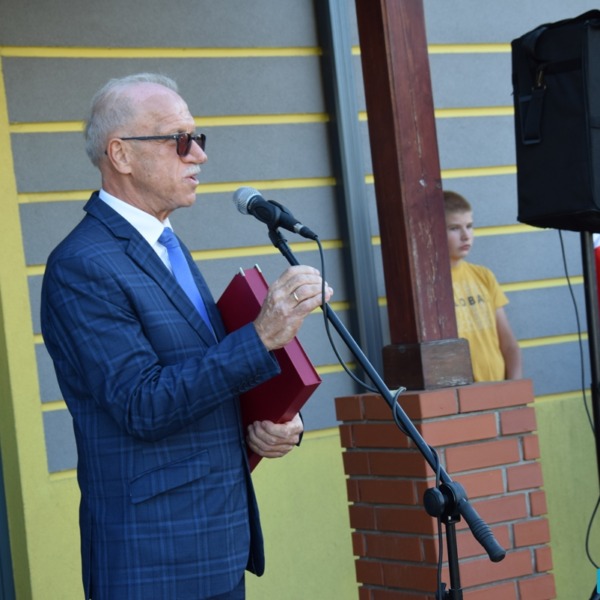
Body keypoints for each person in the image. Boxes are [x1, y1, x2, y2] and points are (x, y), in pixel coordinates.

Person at [40, 73, 333, 600]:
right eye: (179, 140)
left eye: (198, 138)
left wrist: (268, 422)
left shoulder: (164, 244)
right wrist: (261, 336)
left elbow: (197, 375)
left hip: (216, 541)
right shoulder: (82, 265)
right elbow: (142, 404)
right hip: (154, 558)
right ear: (121, 155)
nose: (198, 155)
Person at [444, 190, 522, 382]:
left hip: (498, 387)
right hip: (460, 393)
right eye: (454, 228)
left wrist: (514, 387)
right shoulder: (431, 286)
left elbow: (509, 345)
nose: (466, 236)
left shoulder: (484, 276)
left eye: (469, 226)